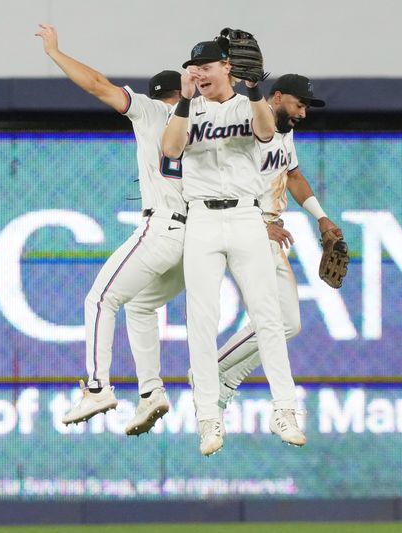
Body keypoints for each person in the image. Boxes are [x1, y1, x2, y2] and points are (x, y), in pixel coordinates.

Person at [35, 24, 185, 435]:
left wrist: (54, 52)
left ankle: (99, 387)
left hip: (164, 229)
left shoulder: (153, 110)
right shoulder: (208, 122)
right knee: (140, 305)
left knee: (100, 300)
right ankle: (151, 391)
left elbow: (98, 85)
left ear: (158, 97)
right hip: (199, 239)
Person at [162, 39, 305, 456]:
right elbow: (171, 150)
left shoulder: (249, 105)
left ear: (227, 67)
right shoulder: (187, 109)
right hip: (202, 218)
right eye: (194, 68)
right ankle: (208, 418)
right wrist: (185, 101)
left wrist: (255, 90)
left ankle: (285, 410)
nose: (199, 73)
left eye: (206, 66)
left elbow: (265, 132)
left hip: (246, 216)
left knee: (268, 317)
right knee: (201, 322)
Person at [211, 74, 343, 407]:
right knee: (276, 322)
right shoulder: (249, 128)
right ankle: (207, 372)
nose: (303, 113)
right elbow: (224, 181)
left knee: (287, 324)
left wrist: (321, 217)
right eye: (299, 105)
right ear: (279, 96)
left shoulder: (285, 131)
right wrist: (255, 223)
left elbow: (293, 175)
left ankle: (225, 380)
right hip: (248, 230)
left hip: (268, 231)